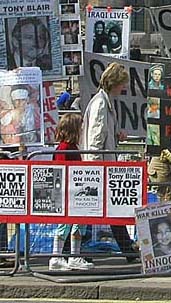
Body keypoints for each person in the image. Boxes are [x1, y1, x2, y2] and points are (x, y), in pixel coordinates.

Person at [80, 63, 139, 263]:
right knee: (90, 212)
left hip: (102, 167)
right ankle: (75, 250)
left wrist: (115, 134)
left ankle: (128, 249)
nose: (125, 88)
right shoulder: (101, 104)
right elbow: (95, 140)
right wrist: (95, 170)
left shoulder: (105, 102)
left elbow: (102, 133)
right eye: (123, 84)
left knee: (113, 209)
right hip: (98, 169)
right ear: (115, 83)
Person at [49, 114, 95, 271]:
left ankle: (73, 255)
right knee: (66, 224)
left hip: (72, 193)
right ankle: (58, 256)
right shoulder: (65, 149)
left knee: (77, 224)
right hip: (69, 194)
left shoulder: (69, 148)